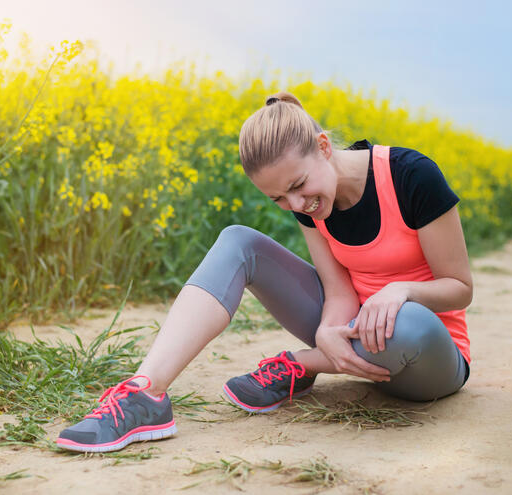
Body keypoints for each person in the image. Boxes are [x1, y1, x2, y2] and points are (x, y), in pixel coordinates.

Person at [55, 92, 472, 453]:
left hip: (427, 355)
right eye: (279, 198)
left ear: (324, 147)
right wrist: (329, 328)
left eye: (299, 185)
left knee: (407, 323)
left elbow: (460, 288)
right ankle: (144, 394)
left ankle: (303, 364)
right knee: (238, 240)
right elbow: (339, 290)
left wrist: (399, 291)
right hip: (352, 336)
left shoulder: (412, 176)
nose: (295, 204)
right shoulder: (310, 204)